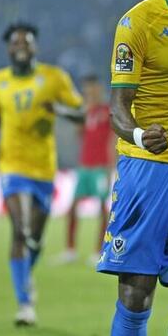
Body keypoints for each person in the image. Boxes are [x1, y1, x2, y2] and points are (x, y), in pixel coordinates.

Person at [0, 22, 85, 326]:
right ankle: (25, 303)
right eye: (15, 42)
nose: (21, 46)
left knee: (34, 239)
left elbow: (82, 113)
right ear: (8, 48)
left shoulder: (54, 78)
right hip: (11, 166)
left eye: (27, 42)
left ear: (35, 47)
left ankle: (25, 279)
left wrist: (58, 111)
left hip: (44, 169)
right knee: (20, 231)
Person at [56, 75, 114, 266]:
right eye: (86, 90)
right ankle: (70, 250)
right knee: (73, 206)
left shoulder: (108, 111)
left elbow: (112, 141)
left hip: (100, 167)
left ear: (99, 89)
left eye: (92, 89)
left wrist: (110, 169)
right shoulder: (85, 112)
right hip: (85, 166)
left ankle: (99, 251)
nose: (89, 93)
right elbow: (79, 135)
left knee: (102, 208)